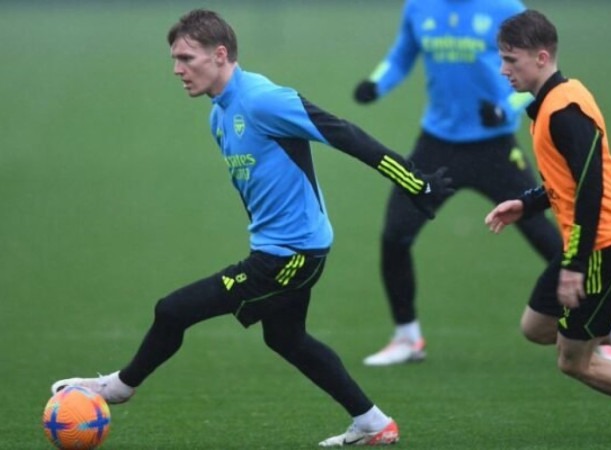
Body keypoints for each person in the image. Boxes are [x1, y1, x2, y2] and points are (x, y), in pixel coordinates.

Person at [49, 9, 454, 447]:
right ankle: (375, 424)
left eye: (187, 58)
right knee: (287, 339)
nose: (177, 70)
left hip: (293, 253)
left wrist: (415, 182)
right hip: (279, 247)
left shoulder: (264, 99)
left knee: (173, 310)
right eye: (174, 60)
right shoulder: (218, 116)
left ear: (220, 54)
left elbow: (344, 133)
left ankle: (119, 387)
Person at [352, 0, 586, 367]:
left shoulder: (505, 8)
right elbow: (401, 56)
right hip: (436, 146)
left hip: (494, 148)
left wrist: (504, 109)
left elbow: (540, 79)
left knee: (545, 235)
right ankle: (407, 337)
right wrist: (376, 84)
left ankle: (597, 332)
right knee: (395, 235)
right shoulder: (419, 8)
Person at [485, 9, 611, 436]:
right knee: (537, 326)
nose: (503, 69)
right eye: (502, 58)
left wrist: (574, 267)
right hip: (586, 244)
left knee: (575, 362)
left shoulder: (565, 110)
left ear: (541, 56)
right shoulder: (552, 100)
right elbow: (568, 181)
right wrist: (527, 203)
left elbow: (591, 191)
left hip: (601, 247)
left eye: (511, 60)